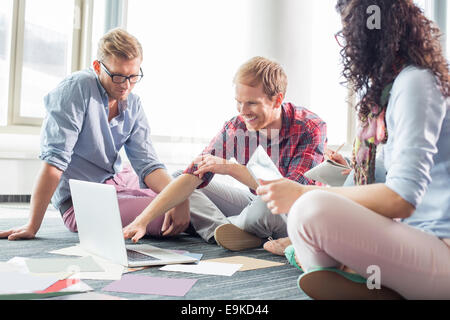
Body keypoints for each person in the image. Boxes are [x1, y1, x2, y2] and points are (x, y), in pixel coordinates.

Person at [257, 0, 450, 299]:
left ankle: (357, 278)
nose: (346, 43)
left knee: (309, 210)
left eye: (349, 32)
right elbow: (382, 178)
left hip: (441, 248)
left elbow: (402, 198)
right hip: (417, 238)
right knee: (304, 217)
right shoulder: (390, 91)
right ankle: (364, 282)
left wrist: (303, 192)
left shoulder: (416, 83)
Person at [0, 28, 189, 241]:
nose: (126, 86)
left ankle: (225, 226)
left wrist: (179, 197)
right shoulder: (76, 90)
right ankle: (222, 230)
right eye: (118, 76)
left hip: (120, 181)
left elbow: (148, 165)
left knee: (186, 186)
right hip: (82, 200)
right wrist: (32, 226)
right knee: (166, 214)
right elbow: (54, 164)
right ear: (98, 67)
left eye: (133, 76)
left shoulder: (133, 103)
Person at [123, 56, 327, 251]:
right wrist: (141, 221)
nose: (243, 111)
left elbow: (290, 194)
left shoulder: (309, 127)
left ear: (277, 100)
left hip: (298, 212)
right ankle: (224, 231)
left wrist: (230, 168)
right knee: (178, 178)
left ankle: (240, 228)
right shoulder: (236, 126)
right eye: (238, 101)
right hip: (256, 203)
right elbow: (193, 174)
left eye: (252, 103)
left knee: (263, 208)